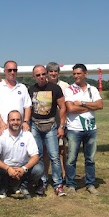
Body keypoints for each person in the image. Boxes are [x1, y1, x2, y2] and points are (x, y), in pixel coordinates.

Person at [64, 64, 103, 195]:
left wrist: (82, 103)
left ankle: (90, 184)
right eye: (74, 74)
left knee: (90, 159)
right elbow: (71, 109)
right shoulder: (69, 89)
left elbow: (100, 105)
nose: (76, 76)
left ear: (85, 74)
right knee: (71, 159)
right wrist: (91, 107)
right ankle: (70, 184)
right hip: (74, 129)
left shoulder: (93, 89)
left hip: (91, 128)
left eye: (78, 73)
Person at [28, 65, 67, 196]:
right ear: (34, 76)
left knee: (54, 156)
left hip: (51, 126)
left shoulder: (55, 88)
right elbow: (27, 108)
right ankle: (42, 182)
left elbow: (62, 107)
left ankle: (58, 184)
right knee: (37, 156)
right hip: (35, 126)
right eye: (38, 75)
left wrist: (61, 126)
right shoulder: (31, 90)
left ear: (46, 74)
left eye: (43, 74)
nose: (41, 77)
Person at [0, 110, 43, 199]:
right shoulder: (1, 135)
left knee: (39, 168)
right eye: (12, 120)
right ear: (8, 122)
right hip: (5, 169)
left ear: (21, 121)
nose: (15, 122)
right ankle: (2, 187)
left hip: (22, 169)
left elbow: (35, 157)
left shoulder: (27, 135)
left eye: (18, 120)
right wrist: (8, 168)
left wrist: (23, 169)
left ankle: (24, 186)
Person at [40, 62, 70, 191]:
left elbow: (66, 105)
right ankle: (45, 176)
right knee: (46, 151)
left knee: (62, 149)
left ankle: (64, 175)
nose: (53, 74)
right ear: (47, 73)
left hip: (61, 123)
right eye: (50, 71)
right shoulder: (43, 85)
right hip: (48, 123)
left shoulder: (65, 86)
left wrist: (62, 125)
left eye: (55, 71)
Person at [0, 60, 31, 132]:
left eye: (14, 70)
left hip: (19, 129)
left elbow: (27, 106)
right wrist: (1, 123)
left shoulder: (22, 87)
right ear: (4, 71)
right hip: (2, 129)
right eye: (9, 70)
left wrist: (25, 122)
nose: (12, 72)